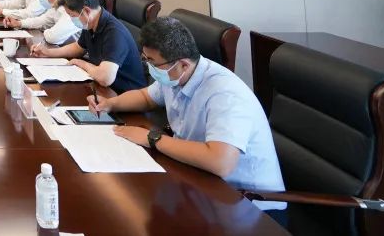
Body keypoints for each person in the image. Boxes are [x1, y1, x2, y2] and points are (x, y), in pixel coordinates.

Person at [88, 17, 287, 220]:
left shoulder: (225, 93)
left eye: (152, 62)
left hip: (249, 205)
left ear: (183, 64)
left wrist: (152, 138)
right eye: (146, 60)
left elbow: (220, 162)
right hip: (202, 184)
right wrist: (110, 104)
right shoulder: (175, 74)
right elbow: (146, 97)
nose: (149, 67)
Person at [30, 0, 146, 93]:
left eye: (72, 15)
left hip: (124, 95)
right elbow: (78, 47)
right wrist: (47, 52)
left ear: (86, 11)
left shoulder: (114, 32)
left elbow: (105, 78)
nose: (71, 19)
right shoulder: (91, 23)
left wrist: (81, 63)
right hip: (102, 88)